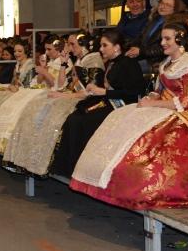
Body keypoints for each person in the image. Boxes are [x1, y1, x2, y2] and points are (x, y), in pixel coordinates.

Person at [70, 23, 188, 209]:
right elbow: (159, 90)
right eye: (162, 38)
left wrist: (153, 103)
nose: (163, 43)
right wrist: (150, 98)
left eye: (167, 39)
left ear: (180, 41)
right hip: (163, 106)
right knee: (121, 117)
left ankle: (131, 183)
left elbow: (186, 103)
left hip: (183, 114)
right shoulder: (169, 64)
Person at [50, 30, 145, 178]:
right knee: (75, 117)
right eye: (100, 45)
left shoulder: (129, 64)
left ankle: (83, 170)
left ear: (117, 47)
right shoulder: (113, 63)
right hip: (109, 101)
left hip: (122, 106)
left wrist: (104, 92)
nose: (101, 49)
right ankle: (67, 168)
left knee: (84, 121)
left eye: (104, 45)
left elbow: (133, 93)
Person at [126, 0, 185, 71]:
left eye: (168, 5)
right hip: (144, 55)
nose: (163, 6)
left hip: (158, 61)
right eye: (162, 3)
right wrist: (132, 47)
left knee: (126, 68)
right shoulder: (155, 19)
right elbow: (140, 37)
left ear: (175, 9)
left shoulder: (175, 25)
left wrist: (140, 51)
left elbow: (165, 49)